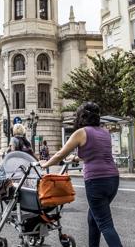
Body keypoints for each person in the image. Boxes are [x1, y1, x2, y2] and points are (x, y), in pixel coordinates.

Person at [40, 102, 122, 247]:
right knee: (93, 217)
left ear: (81, 117)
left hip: (96, 181)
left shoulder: (81, 132)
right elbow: (97, 154)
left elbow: (59, 155)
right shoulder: (105, 132)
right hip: (113, 179)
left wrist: (44, 164)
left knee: (105, 224)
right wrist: (76, 158)